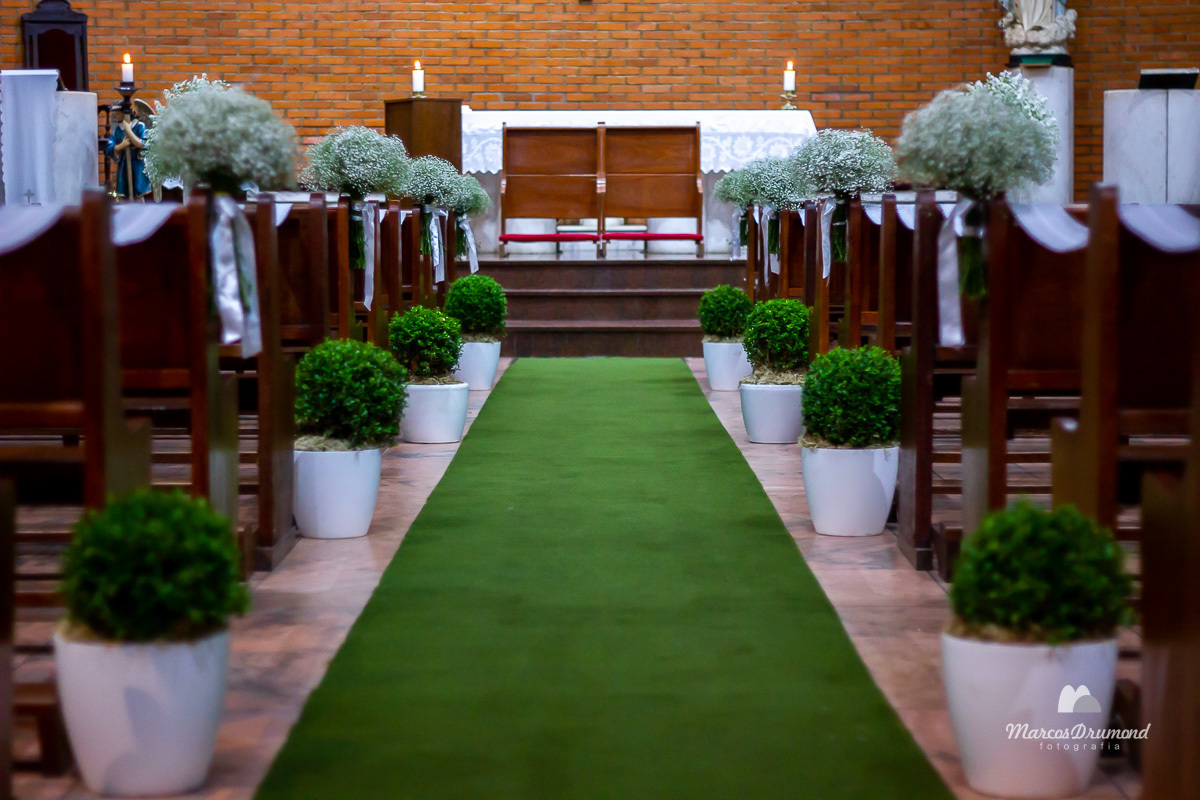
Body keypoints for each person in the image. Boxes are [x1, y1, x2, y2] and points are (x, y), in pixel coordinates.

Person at [105, 106, 152, 200]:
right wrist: (122, 145)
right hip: (123, 165)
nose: (115, 115)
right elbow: (109, 147)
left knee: (138, 193)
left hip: (137, 165)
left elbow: (143, 144)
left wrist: (128, 130)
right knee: (123, 193)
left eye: (118, 112)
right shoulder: (118, 130)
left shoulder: (139, 126)